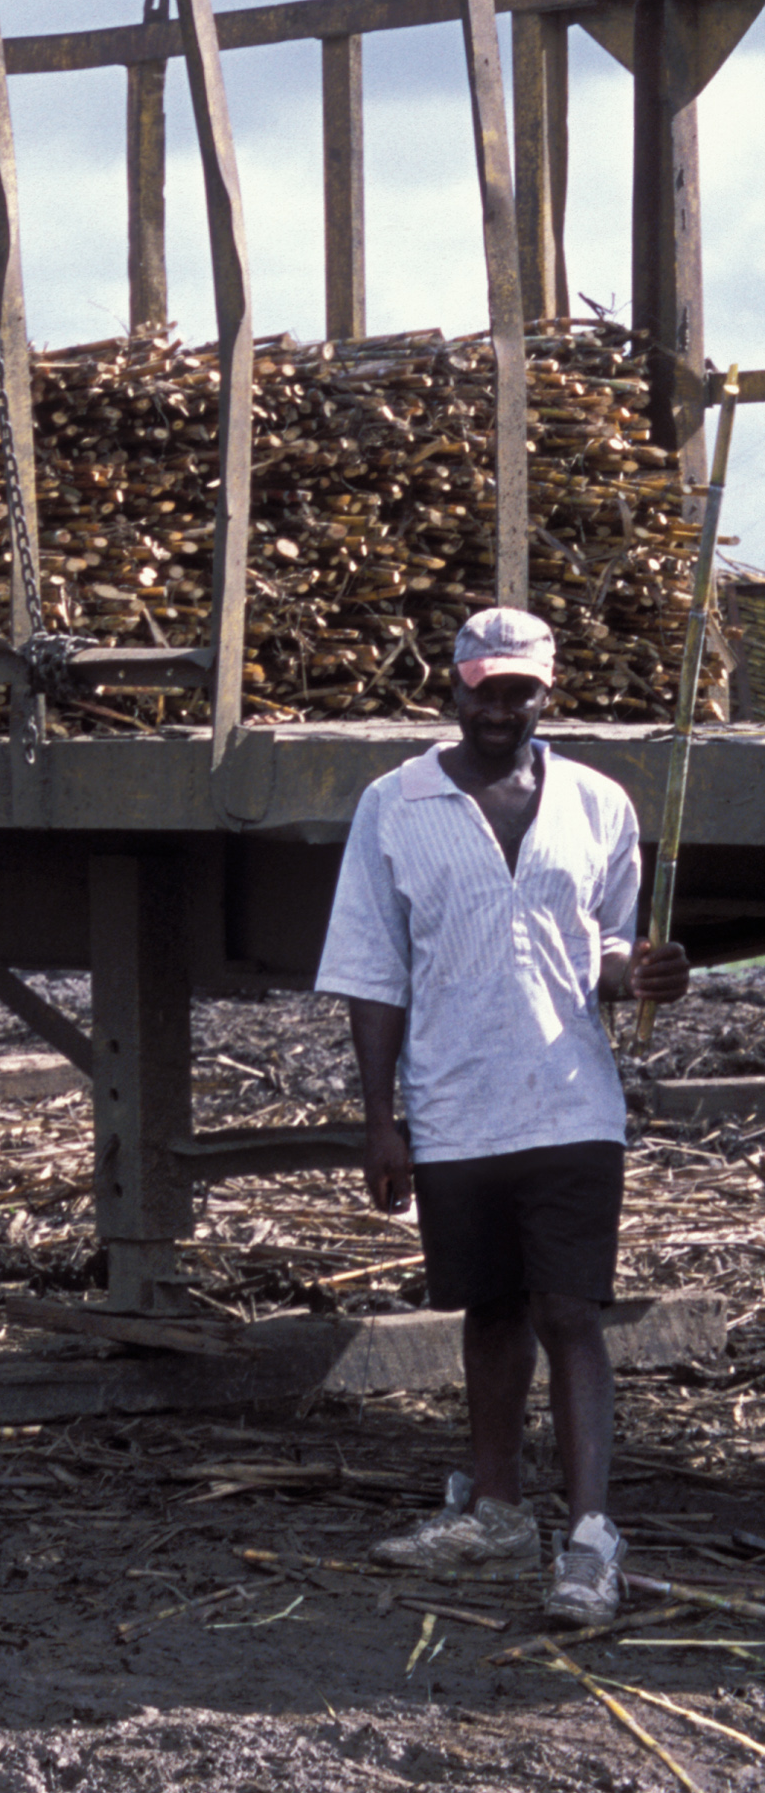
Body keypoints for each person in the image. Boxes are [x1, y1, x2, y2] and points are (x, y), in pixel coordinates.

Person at [319, 603, 686, 1625]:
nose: (499, 704)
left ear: (546, 690)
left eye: (518, 686)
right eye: (482, 684)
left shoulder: (595, 802)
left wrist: (648, 970)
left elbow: (606, 945)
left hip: (570, 1100)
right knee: (487, 1311)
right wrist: (379, 1119)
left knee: (569, 1311)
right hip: (454, 1104)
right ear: (453, 685)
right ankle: (492, 1512)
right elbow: (372, 970)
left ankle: (588, 1538)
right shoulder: (395, 803)